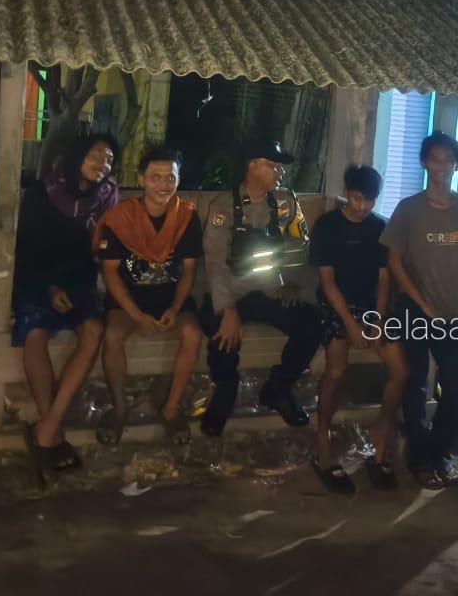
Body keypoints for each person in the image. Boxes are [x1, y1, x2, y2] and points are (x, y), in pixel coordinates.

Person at [381, 131, 458, 488]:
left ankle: (440, 453)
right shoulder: (408, 209)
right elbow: (394, 261)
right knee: (415, 384)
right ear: (424, 163)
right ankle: (419, 459)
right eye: (434, 159)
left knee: (454, 390)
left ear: (457, 166)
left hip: (451, 312)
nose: (440, 166)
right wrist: (421, 301)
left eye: (448, 160)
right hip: (414, 309)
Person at [198, 139, 322, 436]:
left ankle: (279, 387)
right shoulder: (223, 206)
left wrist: (293, 283)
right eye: (272, 164)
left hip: (267, 291)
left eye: (280, 166)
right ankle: (226, 391)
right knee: (222, 334)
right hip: (229, 291)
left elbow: (299, 249)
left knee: (311, 324)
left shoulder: (286, 203)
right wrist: (227, 309)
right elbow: (214, 262)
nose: (280, 171)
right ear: (251, 166)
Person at [13, 133, 120, 470]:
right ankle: (52, 433)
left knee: (93, 330)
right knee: (35, 333)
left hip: (78, 281)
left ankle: (46, 428)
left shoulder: (107, 197)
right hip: (38, 277)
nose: (102, 164)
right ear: (77, 156)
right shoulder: (42, 192)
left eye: (109, 160)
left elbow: (105, 248)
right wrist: (48, 288)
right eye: (96, 156)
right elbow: (25, 248)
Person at [94, 146, 204, 446]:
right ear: (141, 180)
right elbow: (110, 273)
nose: (163, 185)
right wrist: (136, 315)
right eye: (155, 177)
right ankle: (119, 408)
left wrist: (176, 308)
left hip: (170, 296)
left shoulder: (185, 217)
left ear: (178, 180)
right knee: (113, 335)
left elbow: (189, 270)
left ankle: (171, 408)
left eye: (170, 178)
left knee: (192, 333)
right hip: (129, 298)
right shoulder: (121, 218)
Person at [310, 164, 407, 493]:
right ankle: (323, 446)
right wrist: (351, 325)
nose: (362, 206)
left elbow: (384, 279)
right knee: (336, 371)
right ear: (347, 194)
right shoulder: (327, 226)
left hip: (370, 306)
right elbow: (326, 282)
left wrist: (378, 319)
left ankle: (379, 444)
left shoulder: (379, 228)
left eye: (369, 200)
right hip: (336, 304)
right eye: (356, 198)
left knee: (400, 371)